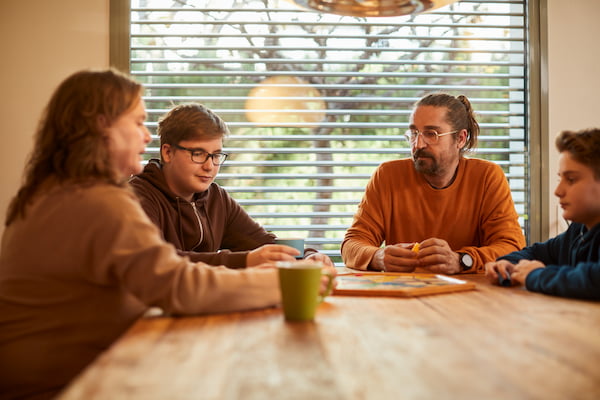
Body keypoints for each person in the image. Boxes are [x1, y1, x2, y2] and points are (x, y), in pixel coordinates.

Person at [0, 69, 335, 399]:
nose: (146, 136)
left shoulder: (52, 192)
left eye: (216, 155)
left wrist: (303, 258)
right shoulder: (99, 200)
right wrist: (280, 282)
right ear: (102, 125)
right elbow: (177, 285)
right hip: (59, 386)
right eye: (137, 122)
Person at [129, 103, 333, 268]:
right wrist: (245, 260)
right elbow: (160, 262)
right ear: (167, 152)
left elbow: (263, 242)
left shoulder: (217, 198)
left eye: (216, 155)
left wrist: (308, 255)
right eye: (198, 154)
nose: (210, 166)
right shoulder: (138, 197)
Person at [341, 93, 526, 274]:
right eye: (414, 133)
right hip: (403, 294)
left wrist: (461, 260)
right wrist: (378, 257)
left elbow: (512, 248)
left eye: (431, 134)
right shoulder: (387, 175)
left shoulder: (487, 177)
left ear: (460, 139)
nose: (418, 144)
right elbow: (352, 244)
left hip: (470, 296)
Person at [485, 129, 600, 300]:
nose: (558, 191)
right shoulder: (579, 230)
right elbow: (537, 252)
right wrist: (507, 263)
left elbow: (594, 280)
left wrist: (536, 275)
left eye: (571, 180)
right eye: (559, 179)